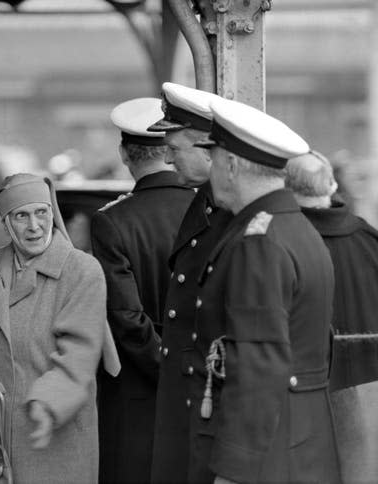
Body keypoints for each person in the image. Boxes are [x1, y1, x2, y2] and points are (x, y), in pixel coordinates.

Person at [188, 98, 340, 483]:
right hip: (298, 443)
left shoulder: (260, 241)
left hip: (266, 457)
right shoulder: (292, 227)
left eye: (216, 160)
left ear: (233, 165)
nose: (212, 173)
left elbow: (258, 363)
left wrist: (235, 471)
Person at [0, 173, 109, 484]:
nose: (34, 226)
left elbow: (79, 352)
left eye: (41, 213)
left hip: (55, 438)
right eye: (21, 216)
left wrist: (47, 404)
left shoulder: (82, 271)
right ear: (6, 223)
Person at [91, 97, 195, 484]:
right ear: (169, 151)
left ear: (124, 153)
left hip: (140, 389)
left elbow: (125, 318)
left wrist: (164, 369)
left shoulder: (112, 221)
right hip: (201, 376)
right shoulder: (210, 209)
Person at [149, 83, 233, 484]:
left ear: (205, 148)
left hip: (209, 399)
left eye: (174, 148)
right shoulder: (203, 202)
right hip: (188, 393)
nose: (166, 158)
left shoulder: (232, 215)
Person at [286, 150, 378, 391]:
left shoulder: (282, 243)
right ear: (332, 185)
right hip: (370, 387)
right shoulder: (370, 239)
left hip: (308, 391)